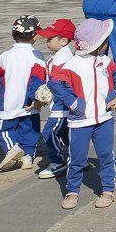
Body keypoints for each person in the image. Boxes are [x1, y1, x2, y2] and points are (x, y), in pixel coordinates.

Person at [44, 17, 116, 210]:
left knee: (106, 155)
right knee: (77, 158)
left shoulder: (105, 61)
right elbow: (54, 83)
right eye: (105, 40)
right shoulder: (72, 64)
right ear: (98, 43)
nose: (107, 43)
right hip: (79, 121)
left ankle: (108, 190)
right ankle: (72, 191)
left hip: (104, 118)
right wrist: (74, 103)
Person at [0, 15, 49, 172]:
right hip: (29, 105)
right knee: (30, 132)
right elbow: (39, 79)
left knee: (2, 129)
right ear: (35, 36)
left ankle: (12, 149)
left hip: (9, 104)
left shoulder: (6, 56)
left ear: (13, 35)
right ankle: (28, 157)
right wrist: (35, 98)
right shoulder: (37, 56)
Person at [34, 18, 74, 179]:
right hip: (60, 105)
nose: (47, 42)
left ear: (64, 41)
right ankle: (77, 159)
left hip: (61, 107)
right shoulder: (60, 56)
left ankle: (58, 162)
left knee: (50, 132)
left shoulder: (62, 59)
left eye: (50, 39)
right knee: (64, 134)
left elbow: (58, 83)